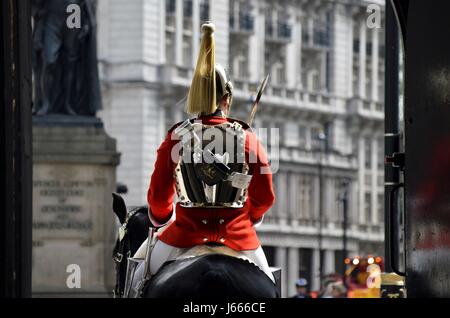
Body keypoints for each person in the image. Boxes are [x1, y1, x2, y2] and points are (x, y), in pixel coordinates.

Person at [133, 22, 276, 284]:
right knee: (271, 282)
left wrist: (160, 217)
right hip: (238, 236)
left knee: (139, 275)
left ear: (194, 96)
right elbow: (265, 196)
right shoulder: (249, 139)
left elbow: (157, 196)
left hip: (184, 234)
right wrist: (252, 216)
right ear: (227, 98)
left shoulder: (176, 137)